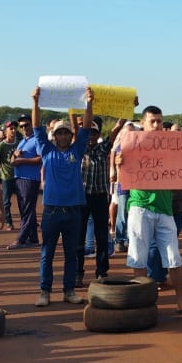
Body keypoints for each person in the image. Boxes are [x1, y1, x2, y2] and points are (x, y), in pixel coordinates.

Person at [117, 105, 182, 317]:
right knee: (139, 256)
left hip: (165, 209)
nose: (156, 125)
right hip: (140, 207)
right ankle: (142, 303)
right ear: (142, 123)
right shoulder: (131, 145)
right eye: (152, 121)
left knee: (174, 256)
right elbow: (120, 170)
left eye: (159, 121)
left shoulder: (171, 146)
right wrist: (119, 163)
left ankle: (181, 302)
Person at [31, 86, 92, 307]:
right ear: (54, 136)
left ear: (70, 135)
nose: (63, 135)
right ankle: (45, 292)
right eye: (59, 132)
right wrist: (36, 102)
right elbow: (36, 126)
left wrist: (89, 103)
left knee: (71, 255)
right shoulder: (46, 151)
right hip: (51, 212)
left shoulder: (77, 151)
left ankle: (68, 291)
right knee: (47, 254)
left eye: (66, 132)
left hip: (74, 211)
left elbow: (86, 126)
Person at [81, 117, 123, 284]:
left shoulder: (103, 148)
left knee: (102, 236)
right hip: (82, 197)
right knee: (79, 237)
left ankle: (102, 271)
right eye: (88, 133)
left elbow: (116, 128)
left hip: (99, 196)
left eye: (94, 133)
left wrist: (127, 108)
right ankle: (78, 272)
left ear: (98, 134)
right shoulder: (79, 149)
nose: (91, 136)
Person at [9, 115, 43, 250]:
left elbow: (40, 159)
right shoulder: (22, 141)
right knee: (26, 209)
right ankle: (33, 238)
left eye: (26, 125)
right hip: (19, 178)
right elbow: (13, 159)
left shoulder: (36, 140)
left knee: (27, 210)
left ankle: (21, 239)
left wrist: (21, 160)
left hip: (30, 179)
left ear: (32, 125)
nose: (24, 128)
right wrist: (14, 157)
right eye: (21, 126)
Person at [0, 121, 18, 230]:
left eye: (14, 128)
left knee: (22, 200)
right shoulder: (1, 146)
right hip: (6, 176)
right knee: (6, 201)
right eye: (11, 129)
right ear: (5, 131)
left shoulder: (19, 143)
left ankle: (26, 222)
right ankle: (9, 222)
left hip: (18, 176)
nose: (13, 131)